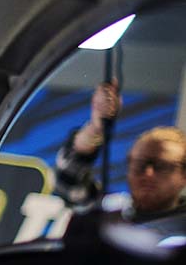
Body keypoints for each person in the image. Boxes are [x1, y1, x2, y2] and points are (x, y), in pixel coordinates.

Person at [56, 80, 186, 219]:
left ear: (183, 175)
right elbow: (70, 185)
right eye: (139, 165)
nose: (148, 173)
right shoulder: (111, 212)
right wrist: (95, 129)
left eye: (161, 166)